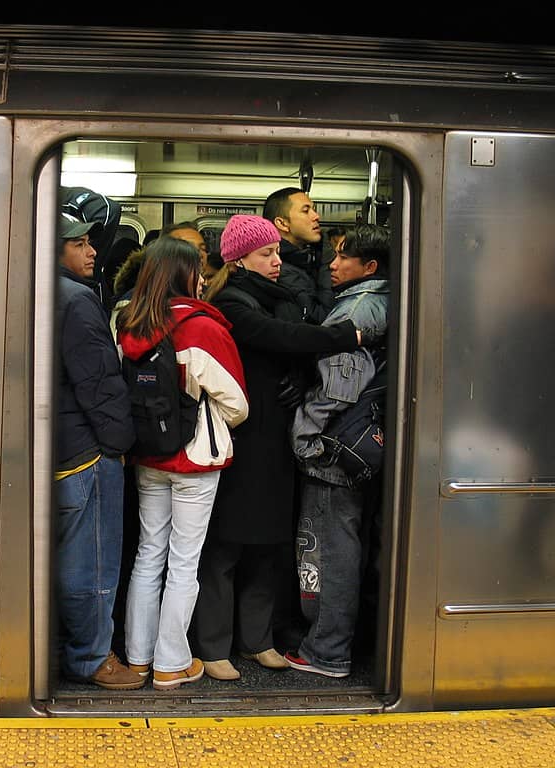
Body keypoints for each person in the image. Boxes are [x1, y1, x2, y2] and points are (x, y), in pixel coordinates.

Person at [190, 214, 368, 682]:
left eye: (275, 252)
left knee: (268, 544)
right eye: (265, 253)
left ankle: (258, 640)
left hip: (275, 438)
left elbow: (294, 351)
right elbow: (278, 339)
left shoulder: (283, 298)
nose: (275, 260)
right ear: (239, 258)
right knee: (227, 546)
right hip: (242, 439)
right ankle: (213, 645)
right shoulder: (231, 300)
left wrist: (298, 375)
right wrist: (341, 337)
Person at [118, 236, 249, 690]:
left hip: (147, 456)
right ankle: (171, 662)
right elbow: (236, 402)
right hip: (193, 459)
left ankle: (137, 657)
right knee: (184, 562)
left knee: (147, 554)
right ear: (185, 275)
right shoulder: (202, 327)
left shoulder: (130, 324)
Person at [287, 224, 390, 678]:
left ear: (369, 266)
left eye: (343, 257)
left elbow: (337, 386)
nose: (332, 264)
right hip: (364, 443)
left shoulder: (359, 307)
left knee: (330, 548)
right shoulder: (389, 300)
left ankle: (327, 651)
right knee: (352, 542)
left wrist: (305, 439)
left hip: (335, 449)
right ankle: (338, 640)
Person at [54, 211, 142, 690]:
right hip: (85, 453)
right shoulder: (77, 300)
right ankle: (91, 658)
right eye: (80, 243)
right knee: (91, 564)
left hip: (53, 448)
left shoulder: (29, 289)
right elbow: (100, 383)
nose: (92, 252)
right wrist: (119, 444)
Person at [263, 188, 333, 323]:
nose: (316, 216)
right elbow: (321, 319)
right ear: (282, 223)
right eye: (306, 211)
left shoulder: (303, 260)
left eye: (314, 209)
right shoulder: (280, 270)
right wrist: (327, 260)